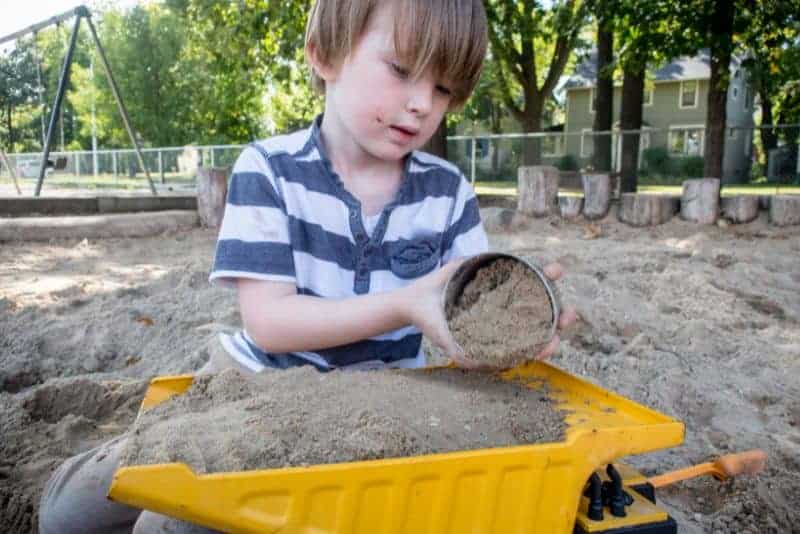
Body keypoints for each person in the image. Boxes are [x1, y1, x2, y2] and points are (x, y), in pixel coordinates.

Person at [38, 0, 575, 532]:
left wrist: (511, 328)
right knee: (65, 516)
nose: (421, 104)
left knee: (168, 527)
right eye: (401, 70)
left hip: (379, 410)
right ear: (324, 55)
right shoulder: (269, 170)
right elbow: (270, 324)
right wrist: (406, 304)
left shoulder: (448, 193)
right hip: (252, 387)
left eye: (442, 89)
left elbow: (466, 313)